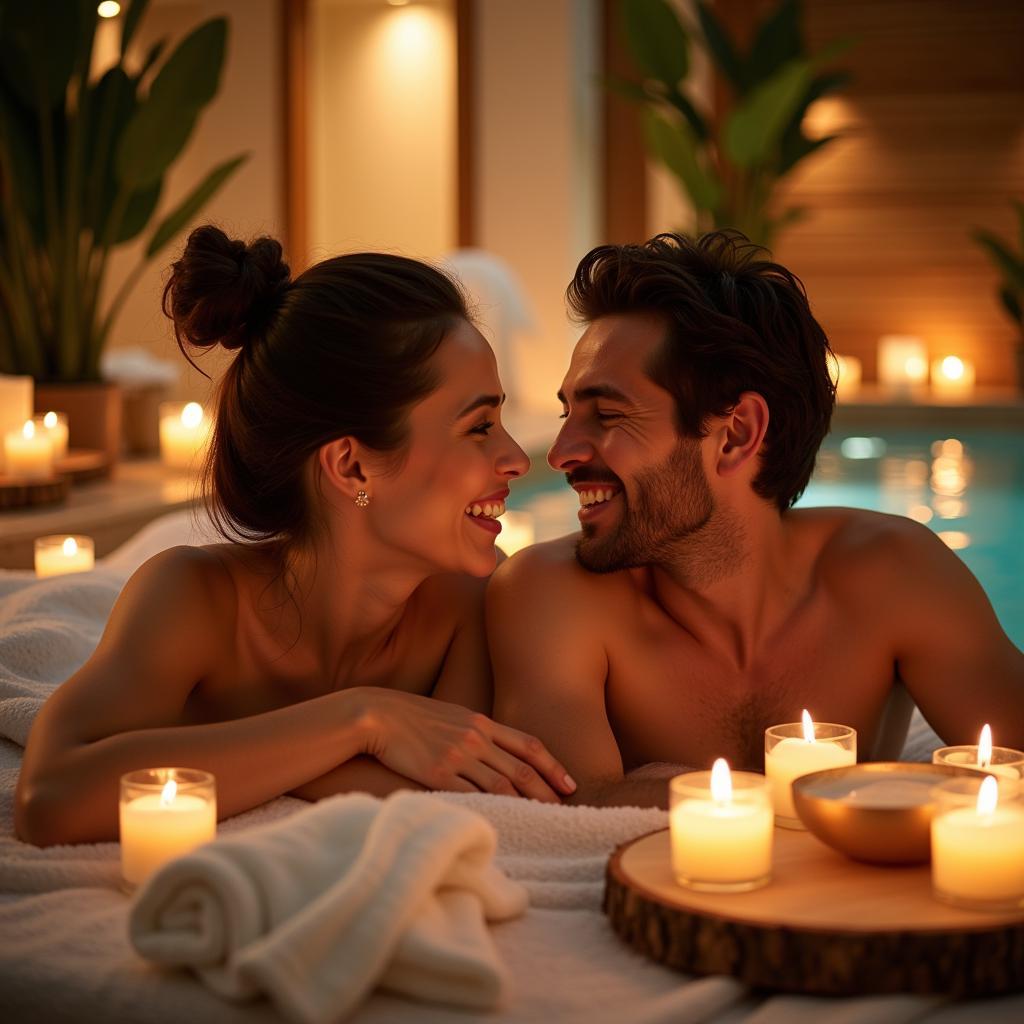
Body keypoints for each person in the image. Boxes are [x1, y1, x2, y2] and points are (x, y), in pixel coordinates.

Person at [16, 226, 575, 846]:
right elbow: (52, 797)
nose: (518, 459)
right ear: (352, 467)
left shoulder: (471, 602)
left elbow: (449, 798)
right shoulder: (192, 599)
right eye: (479, 427)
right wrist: (362, 718)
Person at [488, 230, 1024, 808]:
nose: (560, 450)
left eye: (608, 414)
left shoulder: (895, 576)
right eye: (569, 412)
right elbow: (570, 809)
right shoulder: (548, 593)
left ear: (736, 434)